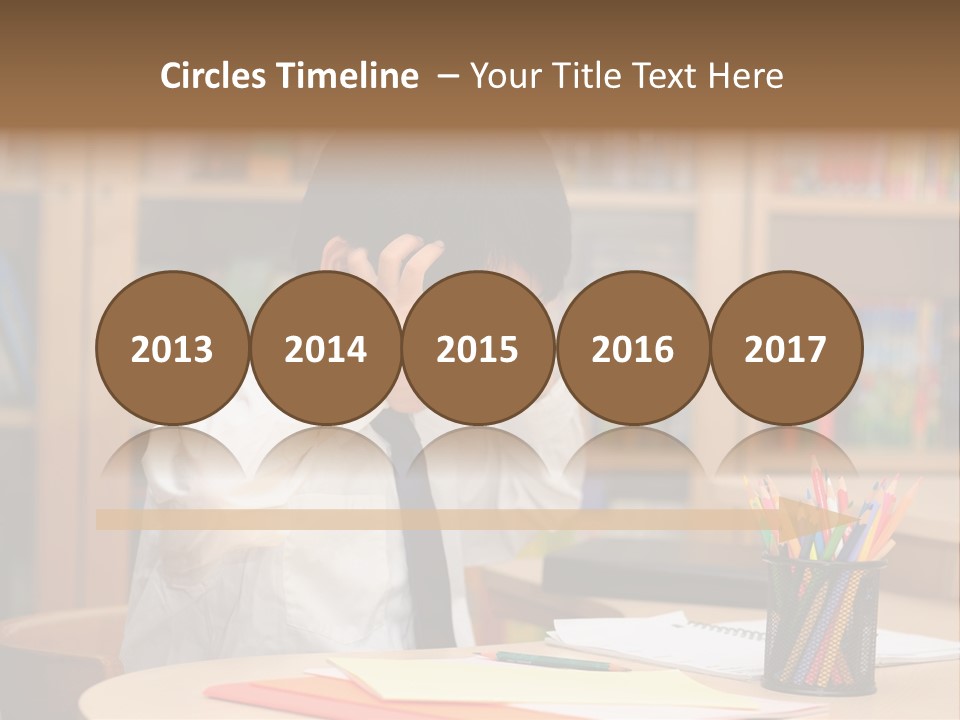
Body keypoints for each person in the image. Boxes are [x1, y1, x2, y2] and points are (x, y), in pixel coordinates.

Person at [120, 132, 586, 670]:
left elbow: (540, 500)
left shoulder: (433, 418)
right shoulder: (226, 395)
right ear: (345, 273)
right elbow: (210, 500)